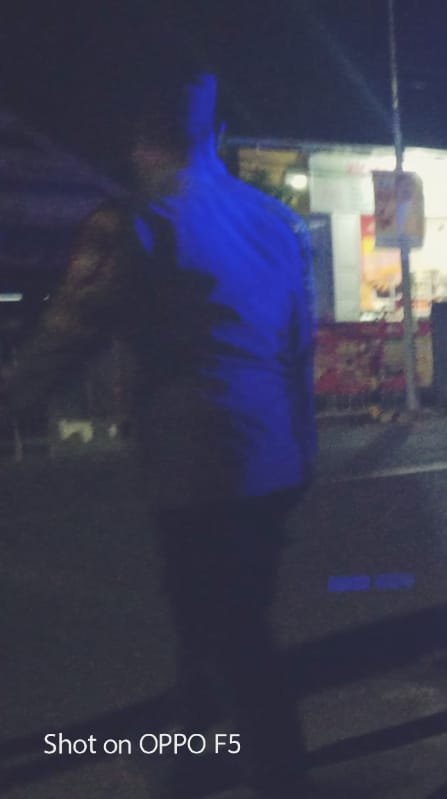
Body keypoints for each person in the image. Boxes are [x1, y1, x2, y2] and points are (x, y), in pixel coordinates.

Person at [2, 64, 318, 797]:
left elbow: (68, 332)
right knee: (215, 624)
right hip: (273, 458)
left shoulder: (135, 223)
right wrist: (303, 449)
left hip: (195, 467)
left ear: (138, 138)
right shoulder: (275, 221)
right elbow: (301, 348)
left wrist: (12, 392)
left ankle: (280, 776)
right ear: (218, 133)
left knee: (231, 637)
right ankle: (196, 760)